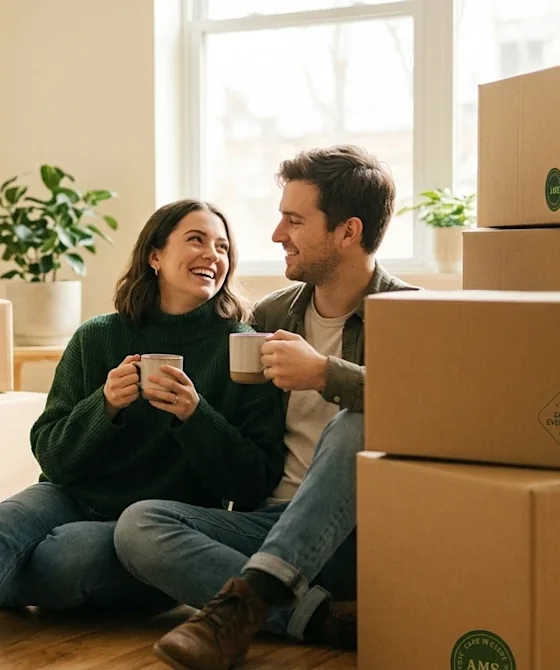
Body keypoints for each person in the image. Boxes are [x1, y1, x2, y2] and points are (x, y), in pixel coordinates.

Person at [0, 198, 287, 670]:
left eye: (222, 247)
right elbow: (52, 455)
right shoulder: (97, 337)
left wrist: (196, 418)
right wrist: (104, 406)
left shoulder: (243, 348)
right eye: (196, 240)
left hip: (150, 532)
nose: (212, 255)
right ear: (154, 256)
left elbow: (252, 481)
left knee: (62, 558)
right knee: (7, 518)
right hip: (72, 494)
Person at [113, 145, 420, 669]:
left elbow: (433, 411)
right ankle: (319, 617)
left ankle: (247, 602)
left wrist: (326, 375)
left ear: (348, 231)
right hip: (268, 522)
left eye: (294, 220)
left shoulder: (412, 314)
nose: (278, 235)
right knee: (138, 526)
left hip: (361, 536)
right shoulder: (272, 313)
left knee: (355, 423)